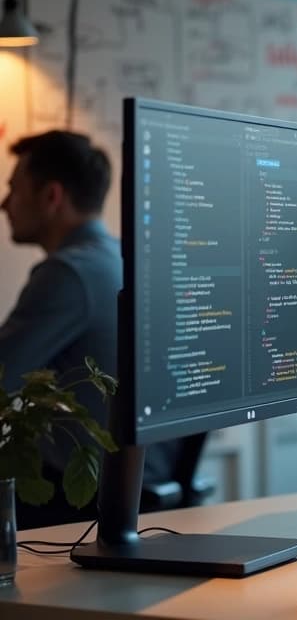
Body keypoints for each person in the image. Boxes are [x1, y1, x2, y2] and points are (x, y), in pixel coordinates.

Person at [2, 130, 181, 529]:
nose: (3, 204)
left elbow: (1, 377)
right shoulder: (129, 260)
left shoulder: (68, 274)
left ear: (52, 196)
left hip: (85, 503)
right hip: (149, 482)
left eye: (13, 189)